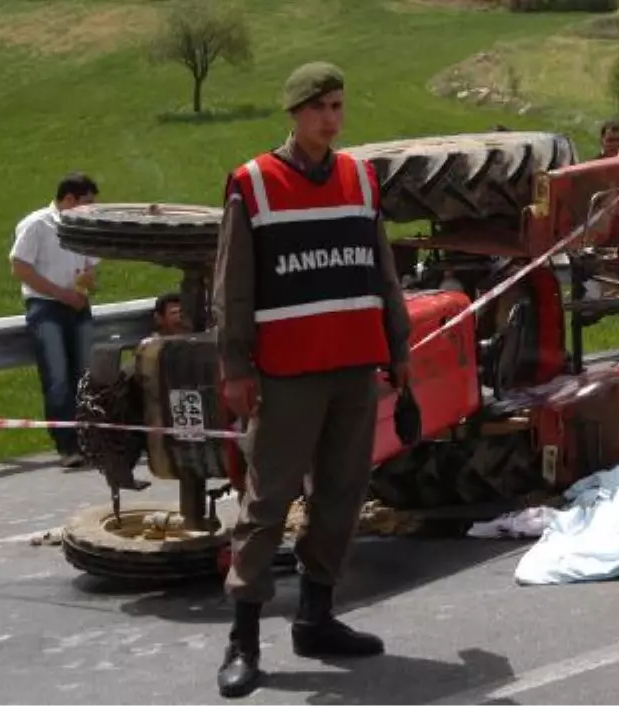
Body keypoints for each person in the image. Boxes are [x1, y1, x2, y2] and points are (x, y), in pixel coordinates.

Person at [211, 61, 412, 699]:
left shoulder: (360, 179)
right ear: (295, 112)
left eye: (339, 104)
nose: (332, 116)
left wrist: (398, 346)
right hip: (288, 371)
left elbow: (383, 272)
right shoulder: (255, 183)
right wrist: (236, 365)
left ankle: (316, 617)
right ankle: (243, 639)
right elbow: (232, 287)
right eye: (321, 105)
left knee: (343, 496)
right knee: (267, 503)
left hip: (354, 364)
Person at [9, 173, 101, 469]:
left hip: (78, 305)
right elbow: (20, 267)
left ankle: (89, 439)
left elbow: (90, 264)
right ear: (69, 199)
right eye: (85, 202)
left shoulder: (84, 225)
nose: (90, 209)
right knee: (58, 377)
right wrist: (61, 294)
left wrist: (85, 284)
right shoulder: (37, 224)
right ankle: (66, 444)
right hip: (46, 307)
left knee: (85, 376)